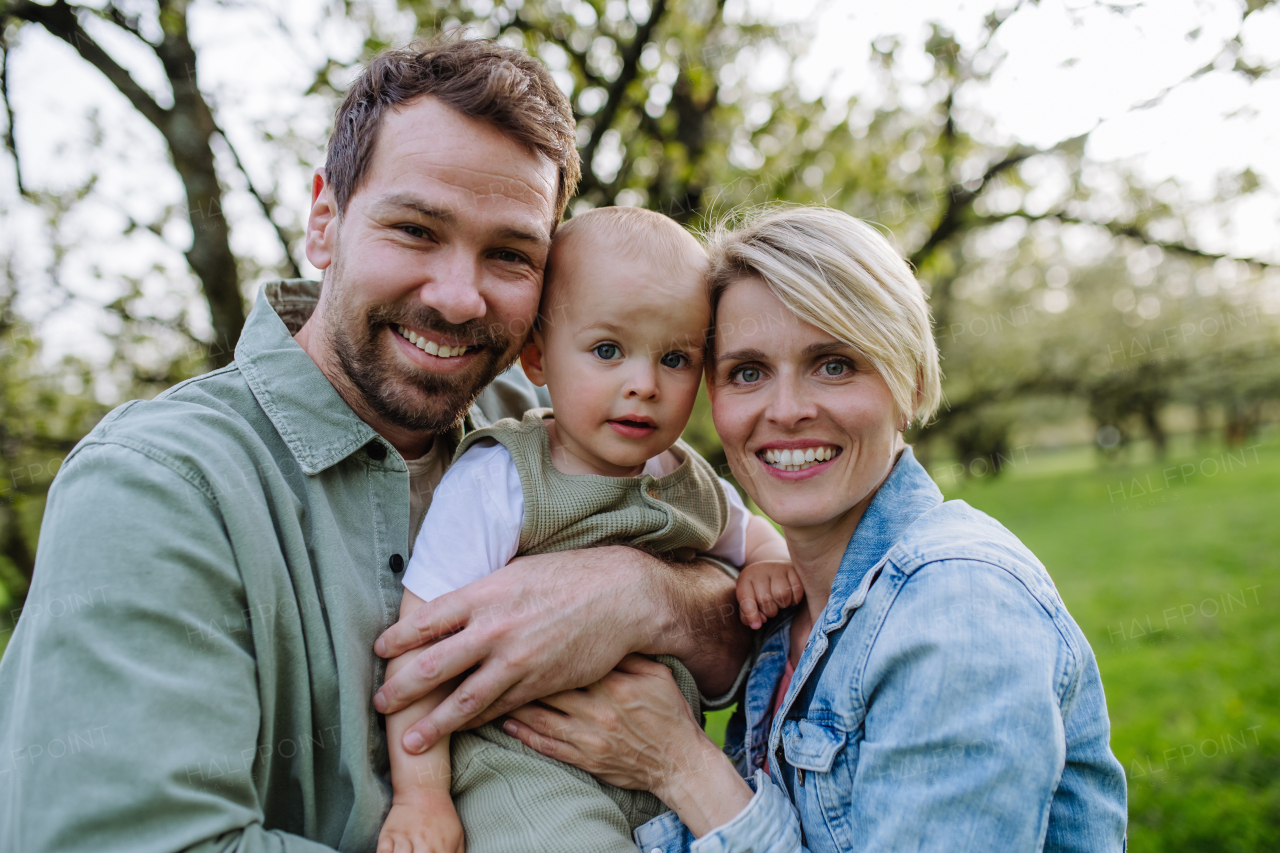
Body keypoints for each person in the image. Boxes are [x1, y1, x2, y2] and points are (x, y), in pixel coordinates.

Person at [0, 39, 749, 852]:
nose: (459, 297)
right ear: (325, 222)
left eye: (508, 253)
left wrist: (641, 596)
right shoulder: (160, 490)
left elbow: (749, 616)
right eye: (416, 229)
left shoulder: (550, 424)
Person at [504, 206, 1130, 852]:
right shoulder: (787, 609)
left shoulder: (957, 607)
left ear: (909, 381)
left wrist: (681, 765)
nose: (787, 410)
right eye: (747, 371)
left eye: (833, 364)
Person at [378, 206, 797, 852]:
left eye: (676, 358)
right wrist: (422, 795)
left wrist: (768, 565)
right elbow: (420, 651)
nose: (644, 385)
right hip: (528, 771)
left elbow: (751, 537)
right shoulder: (503, 478)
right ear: (538, 357)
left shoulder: (687, 477)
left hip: (654, 785)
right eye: (608, 350)